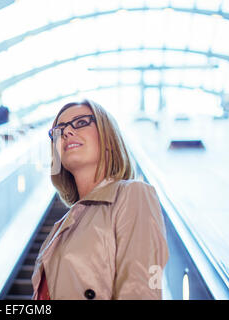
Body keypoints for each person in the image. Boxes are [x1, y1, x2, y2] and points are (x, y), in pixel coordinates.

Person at [32, 99, 169, 300]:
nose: (67, 132)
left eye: (80, 122)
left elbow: (141, 291)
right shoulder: (60, 227)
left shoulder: (132, 195)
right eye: (59, 130)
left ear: (109, 139)